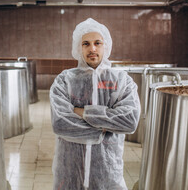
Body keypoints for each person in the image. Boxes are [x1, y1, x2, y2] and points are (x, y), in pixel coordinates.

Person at [49, 18, 141, 190]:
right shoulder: (65, 80)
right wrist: (107, 126)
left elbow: (130, 120)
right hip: (69, 171)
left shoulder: (122, 81)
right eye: (86, 43)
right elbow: (60, 123)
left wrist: (83, 112)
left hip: (107, 172)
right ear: (79, 48)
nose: (92, 48)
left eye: (97, 43)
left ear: (105, 46)